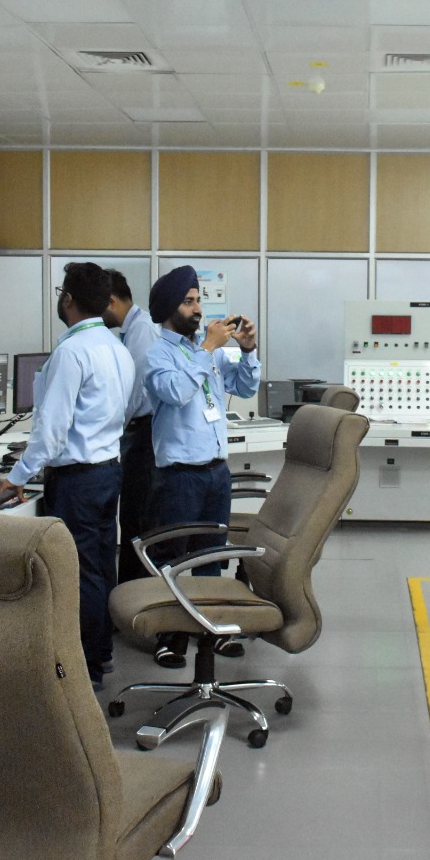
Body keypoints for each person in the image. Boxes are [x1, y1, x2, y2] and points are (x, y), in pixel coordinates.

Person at [0, 262, 134, 686]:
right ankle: (101, 654)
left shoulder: (72, 352)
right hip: (107, 471)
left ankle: (84, 669)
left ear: (67, 299)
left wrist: (17, 477)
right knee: (100, 565)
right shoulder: (117, 349)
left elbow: (50, 432)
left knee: (77, 574)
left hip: (78, 481)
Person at [143, 265, 260, 669]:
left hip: (215, 473)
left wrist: (248, 351)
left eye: (198, 301)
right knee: (172, 558)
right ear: (168, 309)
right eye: (188, 302)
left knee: (211, 556)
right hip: (179, 475)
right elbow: (176, 392)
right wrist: (207, 349)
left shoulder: (208, 352)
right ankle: (169, 636)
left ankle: (212, 629)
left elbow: (245, 387)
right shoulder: (158, 355)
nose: (197, 309)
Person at [102, 268, 158, 586]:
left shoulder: (142, 330)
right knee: (133, 518)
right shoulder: (133, 329)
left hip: (144, 433)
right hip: (138, 432)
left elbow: (135, 391)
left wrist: (113, 430)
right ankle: (127, 595)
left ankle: (134, 597)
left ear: (111, 301)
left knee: (137, 520)